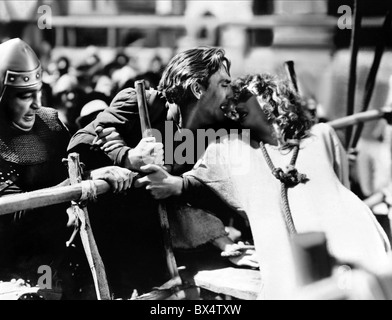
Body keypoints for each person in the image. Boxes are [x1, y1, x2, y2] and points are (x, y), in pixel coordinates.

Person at [176, 74, 391, 298]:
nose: (233, 106)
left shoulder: (322, 134)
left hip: (352, 235)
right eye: (229, 103)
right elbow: (186, 182)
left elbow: (342, 187)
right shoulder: (231, 148)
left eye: (241, 96)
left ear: (267, 95)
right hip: (287, 250)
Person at [68, 47, 258, 297]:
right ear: (198, 89)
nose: (229, 92)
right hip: (117, 247)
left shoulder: (216, 126)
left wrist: (178, 185)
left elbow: (223, 183)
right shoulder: (142, 103)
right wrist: (128, 156)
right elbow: (79, 142)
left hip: (173, 246)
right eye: (223, 84)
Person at [0, 39, 137, 300]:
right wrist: (81, 182)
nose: (34, 104)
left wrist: (113, 153)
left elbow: (75, 167)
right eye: (22, 94)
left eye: (36, 91)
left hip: (63, 247)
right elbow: (12, 217)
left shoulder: (48, 123)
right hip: (14, 263)